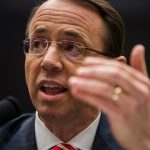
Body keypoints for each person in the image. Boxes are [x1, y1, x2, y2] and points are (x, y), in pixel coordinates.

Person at [0, 0, 150, 149]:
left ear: (114, 70)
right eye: (37, 44)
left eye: (71, 47)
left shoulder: (138, 143)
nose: (48, 61)